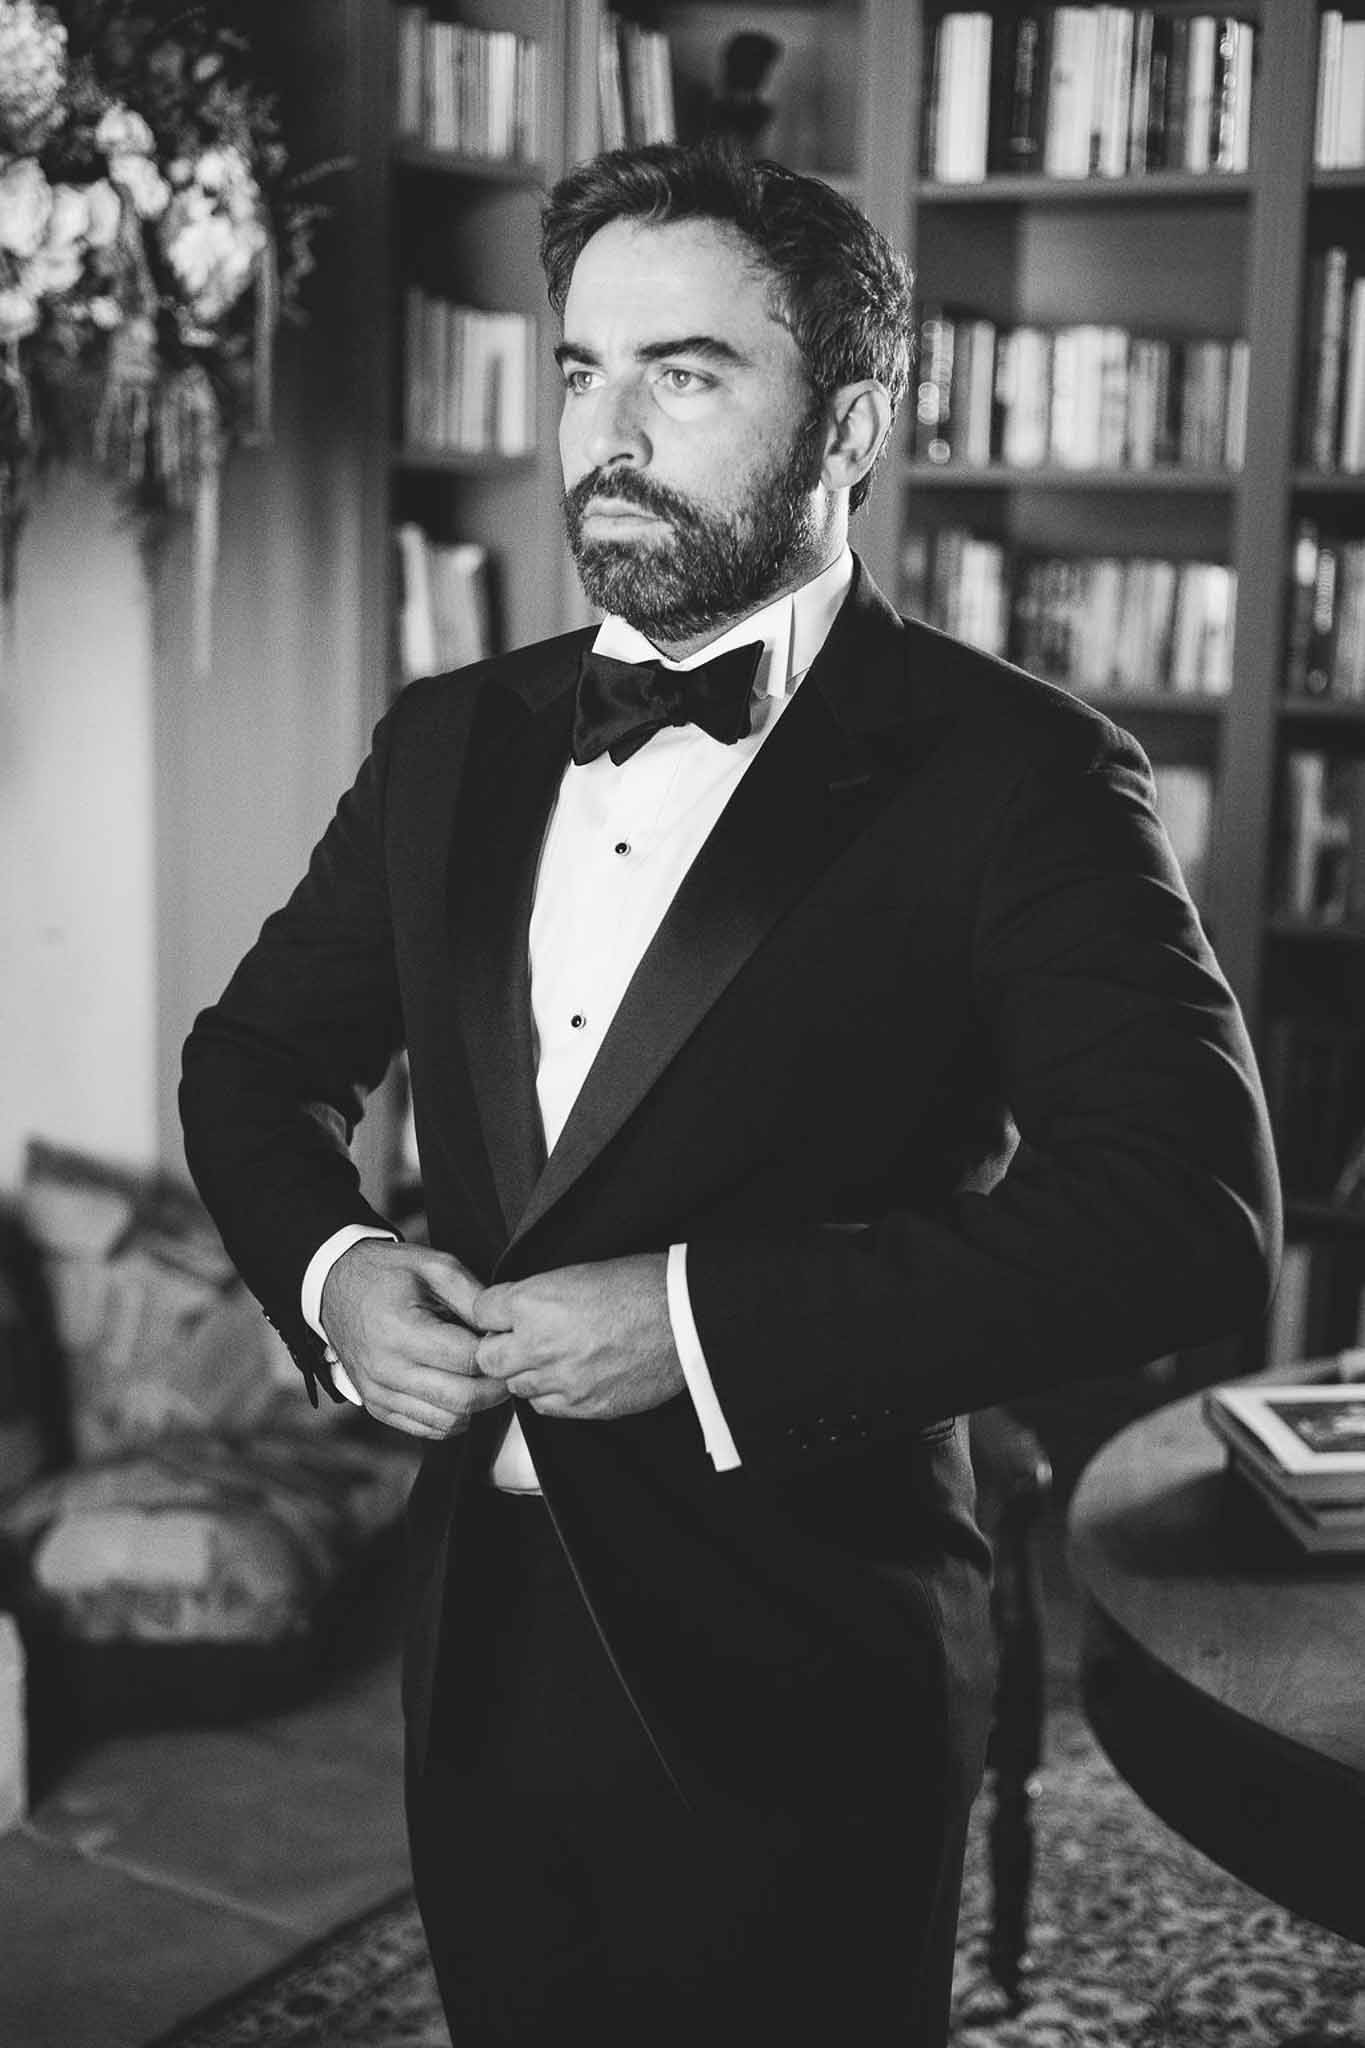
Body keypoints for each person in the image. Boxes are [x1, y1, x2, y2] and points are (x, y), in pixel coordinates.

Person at [180, 141, 1281, 2047]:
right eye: (581, 371)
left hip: (808, 1652)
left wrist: (694, 1327)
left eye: (683, 373)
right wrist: (338, 1271)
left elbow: (1182, 1225)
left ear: (848, 422)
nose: (608, 431)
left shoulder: (1022, 775)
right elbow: (255, 1064)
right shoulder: (446, 740)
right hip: (480, 1633)